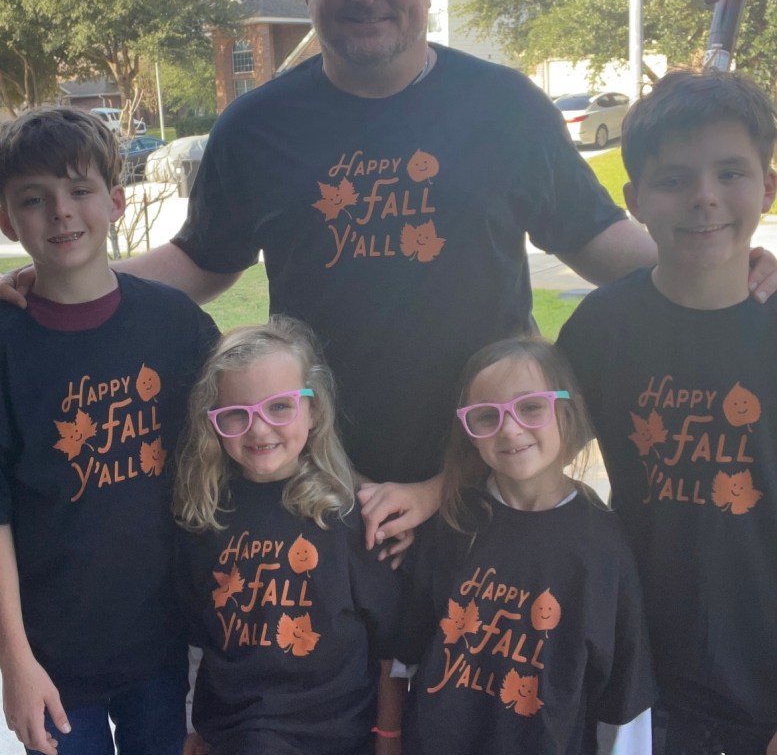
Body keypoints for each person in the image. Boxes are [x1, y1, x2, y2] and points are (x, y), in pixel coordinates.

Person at [3, 0, 776, 550]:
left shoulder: (504, 106)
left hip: (486, 472)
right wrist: (64, 285)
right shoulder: (257, 125)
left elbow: (595, 237)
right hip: (318, 480)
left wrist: (719, 261)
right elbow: (201, 259)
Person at [557, 71, 777, 755]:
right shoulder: (601, 328)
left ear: (767, 187)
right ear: (634, 202)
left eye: (730, 173)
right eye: (674, 179)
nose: (704, 196)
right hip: (643, 678)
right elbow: (529, 447)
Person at [0, 107, 218, 755]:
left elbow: (235, 447)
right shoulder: (6, 343)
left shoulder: (175, 324)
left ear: (116, 202)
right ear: (7, 221)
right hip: (53, 657)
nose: (61, 212)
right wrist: (15, 663)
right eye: (33, 199)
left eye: (80, 189)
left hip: (165, 641)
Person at [396, 336, 654, 754]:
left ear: (567, 412)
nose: (510, 429)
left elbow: (624, 696)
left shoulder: (602, 548)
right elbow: (406, 654)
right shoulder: (454, 522)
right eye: (487, 415)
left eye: (531, 407)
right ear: (469, 432)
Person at [173, 316, 405, 755]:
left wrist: (390, 736)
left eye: (280, 407)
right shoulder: (204, 517)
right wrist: (195, 725)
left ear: (314, 410)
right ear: (212, 422)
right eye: (236, 413)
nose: (259, 429)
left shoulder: (353, 516)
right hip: (237, 736)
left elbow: (390, 646)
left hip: (338, 738)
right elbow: (199, 642)